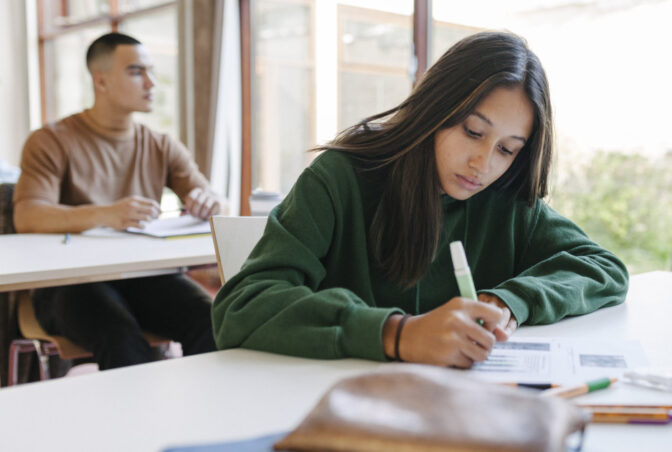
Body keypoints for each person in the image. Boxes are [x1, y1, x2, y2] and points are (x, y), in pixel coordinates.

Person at [212, 32, 629, 368]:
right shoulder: (341, 178)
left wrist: (509, 301)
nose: (483, 164)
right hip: (337, 407)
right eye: (472, 131)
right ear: (435, 109)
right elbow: (241, 307)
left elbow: (604, 268)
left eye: (507, 149)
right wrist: (397, 333)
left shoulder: (508, 201)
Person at [13, 33, 220, 370]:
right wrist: (106, 214)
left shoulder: (161, 144)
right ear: (101, 81)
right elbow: (28, 214)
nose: (152, 82)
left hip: (145, 276)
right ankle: (137, 424)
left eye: (150, 71)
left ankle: (214, 420)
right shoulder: (50, 141)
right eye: (137, 72)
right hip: (68, 283)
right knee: (120, 336)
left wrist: (208, 200)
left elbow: (211, 197)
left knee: (216, 321)